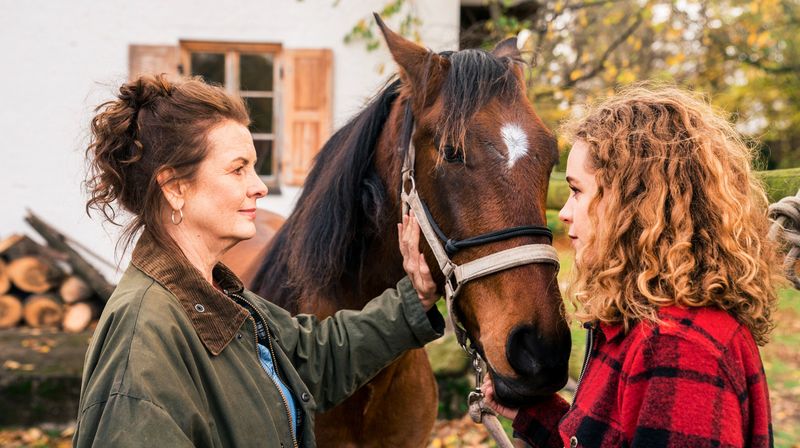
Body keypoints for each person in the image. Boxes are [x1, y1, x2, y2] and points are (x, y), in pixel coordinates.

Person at [74, 74, 442, 447]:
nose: (260, 186)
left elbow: (314, 361)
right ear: (175, 188)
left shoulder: (221, 297)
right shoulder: (144, 336)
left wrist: (417, 297)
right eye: (238, 169)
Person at [482, 85, 778, 447]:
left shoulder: (678, 348)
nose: (563, 213)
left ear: (635, 202)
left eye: (577, 191)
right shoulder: (638, 321)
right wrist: (535, 414)